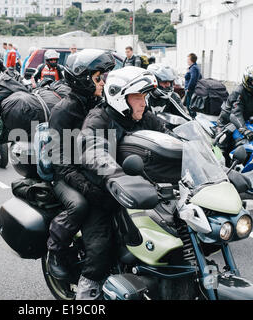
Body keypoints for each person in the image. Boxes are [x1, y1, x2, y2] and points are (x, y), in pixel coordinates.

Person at [75, 67, 168, 299]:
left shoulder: (145, 118)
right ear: (119, 97)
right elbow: (93, 149)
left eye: (145, 97)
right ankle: (87, 293)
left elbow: (169, 137)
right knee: (100, 247)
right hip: (102, 192)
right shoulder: (99, 119)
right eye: (138, 96)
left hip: (141, 192)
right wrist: (116, 176)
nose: (143, 103)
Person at [46, 49, 116, 282]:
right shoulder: (64, 111)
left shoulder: (102, 103)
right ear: (83, 80)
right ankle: (55, 250)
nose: (104, 82)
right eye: (99, 78)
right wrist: (87, 187)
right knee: (79, 205)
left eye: (105, 77)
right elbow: (61, 161)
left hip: (93, 167)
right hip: (65, 174)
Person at [216, 65, 253, 157]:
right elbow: (236, 114)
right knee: (221, 145)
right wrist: (244, 130)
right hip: (227, 122)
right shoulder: (239, 92)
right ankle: (220, 166)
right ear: (248, 82)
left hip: (246, 122)